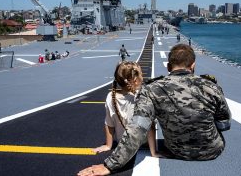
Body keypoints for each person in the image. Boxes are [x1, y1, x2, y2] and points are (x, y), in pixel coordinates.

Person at [78, 44, 231, 176]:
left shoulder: (152, 89)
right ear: (193, 66)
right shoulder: (212, 86)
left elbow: (137, 130)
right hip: (212, 152)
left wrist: (109, 165)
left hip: (176, 151)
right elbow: (224, 124)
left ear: (169, 67)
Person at [92, 61, 158, 158]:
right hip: (143, 144)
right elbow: (150, 125)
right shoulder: (142, 96)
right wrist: (154, 152)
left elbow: (109, 123)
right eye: (141, 74)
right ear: (135, 80)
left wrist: (108, 145)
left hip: (123, 143)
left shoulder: (111, 97)